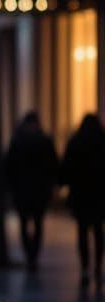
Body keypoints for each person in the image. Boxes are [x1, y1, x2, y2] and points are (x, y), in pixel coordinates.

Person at [5, 112, 58, 268]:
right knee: (33, 222)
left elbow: (9, 167)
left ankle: (31, 253)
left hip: (27, 190)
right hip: (34, 190)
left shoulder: (18, 141)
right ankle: (31, 253)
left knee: (31, 222)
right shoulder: (42, 141)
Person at [60, 113, 105, 287]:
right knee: (99, 231)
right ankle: (98, 267)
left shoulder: (76, 142)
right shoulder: (102, 142)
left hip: (81, 195)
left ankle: (85, 267)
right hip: (100, 195)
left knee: (83, 231)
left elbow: (66, 168)